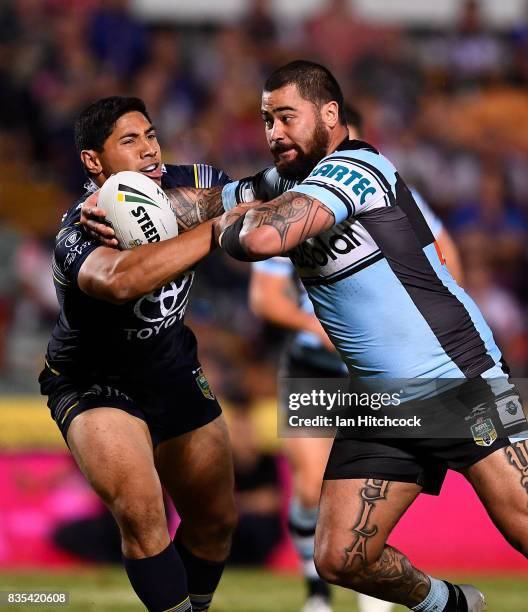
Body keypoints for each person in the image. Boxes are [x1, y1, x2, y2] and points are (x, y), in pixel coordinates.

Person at [215, 61, 528, 611]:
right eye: (266, 120)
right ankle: (454, 606)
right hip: (376, 397)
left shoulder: (356, 169)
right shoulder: (283, 186)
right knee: (340, 556)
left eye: (286, 116)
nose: (273, 132)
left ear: (330, 115)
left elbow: (261, 237)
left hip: (455, 379)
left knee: (523, 522)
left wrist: (230, 226)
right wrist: (131, 197)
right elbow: (210, 199)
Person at [39, 96, 237, 612]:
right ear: (93, 162)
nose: (150, 149)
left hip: (171, 367)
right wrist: (214, 231)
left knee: (216, 523)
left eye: (150, 134)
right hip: (93, 382)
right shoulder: (78, 230)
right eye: (130, 141)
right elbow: (121, 280)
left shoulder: (191, 179)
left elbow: (246, 197)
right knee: (144, 514)